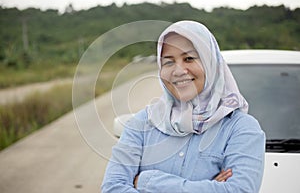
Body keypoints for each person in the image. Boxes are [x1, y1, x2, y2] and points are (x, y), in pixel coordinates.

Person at [101, 20, 265, 193]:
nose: (178, 71)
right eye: (169, 62)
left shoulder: (240, 128)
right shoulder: (143, 123)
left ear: (211, 64)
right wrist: (210, 187)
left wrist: (147, 182)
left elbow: (239, 190)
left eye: (189, 58)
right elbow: (113, 187)